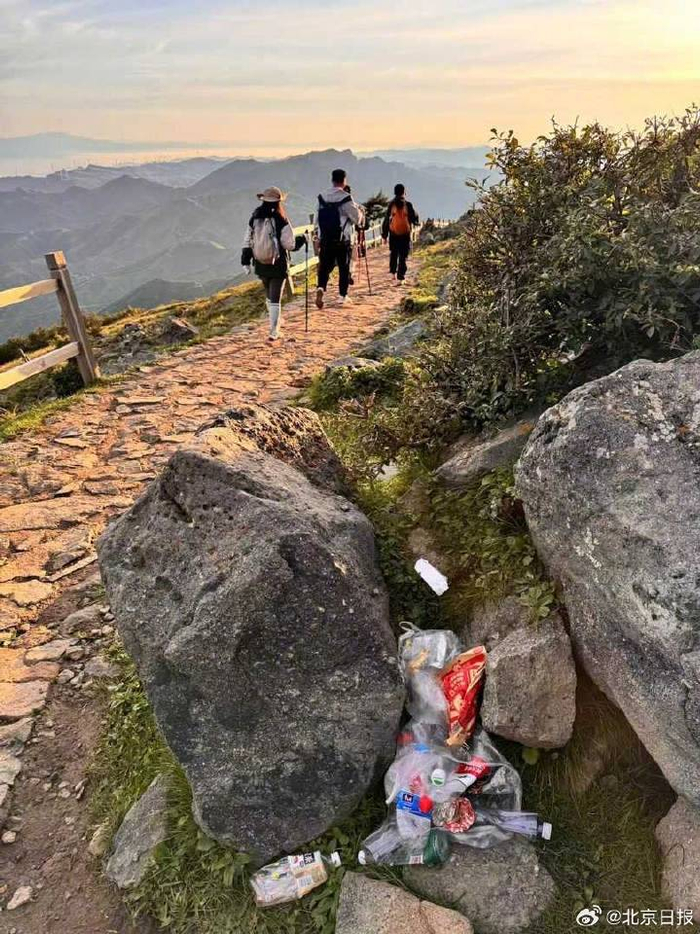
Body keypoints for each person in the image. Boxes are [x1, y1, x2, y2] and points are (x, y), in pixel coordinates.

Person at [241, 186, 305, 341]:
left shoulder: (255, 217)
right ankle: (274, 330)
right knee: (276, 297)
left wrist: (245, 261)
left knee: (269, 295)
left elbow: (248, 240)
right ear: (278, 201)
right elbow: (289, 245)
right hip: (278, 262)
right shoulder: (281, 218)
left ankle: (275, 324)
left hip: (260, 262)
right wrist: (302, 239)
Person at [314, 169, 363, 309]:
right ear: (344, 180)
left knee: (324, 267)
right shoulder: (346, 198)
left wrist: (317, 236)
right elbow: (357, 219)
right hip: (343, 240)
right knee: (344, 267)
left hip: (326, 240)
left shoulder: (321, 197)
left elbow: (316, 220)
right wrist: (360, 212)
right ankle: (342, 296)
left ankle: (321, 288)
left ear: (332, 179)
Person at [382, 184, 419, 284]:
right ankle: (400, 277)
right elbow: (414, 217)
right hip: (405, 234)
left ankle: (393, 273)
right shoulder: (408, 204)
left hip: (393, 233)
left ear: (394, 192)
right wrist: (416, 222)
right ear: (404, 192)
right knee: (403, 255)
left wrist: (384, 235)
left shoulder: (391, 205)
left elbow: (386, 220)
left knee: (394, 253)